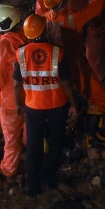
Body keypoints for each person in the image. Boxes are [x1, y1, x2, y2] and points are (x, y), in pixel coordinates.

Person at [42, 0, 105, 145]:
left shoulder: (45, 18)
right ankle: (93, 136)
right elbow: (95, 7)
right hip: (73, 64)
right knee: (99, 96)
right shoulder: (69, 20)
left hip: (57, 67)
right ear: (61, 4)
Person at [14, 15, 77, 196]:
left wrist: (18, 103)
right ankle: (49, 179)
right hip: (57, 105)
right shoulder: (57, 52)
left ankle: (32, 186)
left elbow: (17, 84)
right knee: (55, 141)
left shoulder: (20, 53)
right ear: (44, 30)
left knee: (34, 146)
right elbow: (66, 82)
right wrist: (74, 105)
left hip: (33, 106)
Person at [0, 4, 29, 178]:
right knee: (29, 130)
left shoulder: (2, 46)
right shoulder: (27, 37)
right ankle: (32, 154)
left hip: (10, 101)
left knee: (10, 138)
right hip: (30, 95)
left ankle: (8, 169)